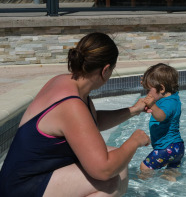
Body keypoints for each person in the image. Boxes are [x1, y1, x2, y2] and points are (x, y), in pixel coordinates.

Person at [0, 32, 151, 197]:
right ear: (106, 70)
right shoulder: (71, 104)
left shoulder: (66, 82)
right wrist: (135, 141)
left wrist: (133, 111)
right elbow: (104, 170)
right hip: (20, 188)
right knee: (110, 182)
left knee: (118, 160)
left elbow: (91, 122)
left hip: (27, 177)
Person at [139, 63, 184, 181]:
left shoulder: (168, 104)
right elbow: (158, 95)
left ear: (162, 88)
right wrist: (149, 84)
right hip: (177, 148)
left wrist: (152, 105)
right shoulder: (171, 97)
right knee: (169, 175)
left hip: (166, 148)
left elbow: (161, 117)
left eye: (149, 89)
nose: (147, 92)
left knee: (145, 167)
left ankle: (144, 188)